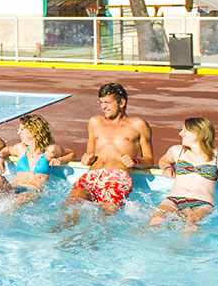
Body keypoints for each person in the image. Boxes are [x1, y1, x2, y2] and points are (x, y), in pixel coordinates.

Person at [61, 82, 154, 220]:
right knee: (70, 207)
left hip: (117, 178)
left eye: (108, 103)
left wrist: (135, 161)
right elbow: (90, 153)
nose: (104, 107)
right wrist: (87, 159)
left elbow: (149, 160)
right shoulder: (95, 122)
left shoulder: (138, 125)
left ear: (121, 102)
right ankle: (61, 240)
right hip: (92, 176)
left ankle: (91, 241)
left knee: (102, 219)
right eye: (101, 102)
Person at [149, 117, 218, 228]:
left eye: (185, 130)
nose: (180, 134)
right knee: (157, 217)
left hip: (203, 203)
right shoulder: (177, 151)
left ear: (198, 133)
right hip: (173, 200)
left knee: (191, 222)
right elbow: (164, 160)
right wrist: (167, 167)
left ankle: (183, 245)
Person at [0, 114, 75, 210]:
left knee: (15, 202)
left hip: (33, 191)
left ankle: (3, 220)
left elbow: (72, 153)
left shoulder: (50, 151)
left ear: (33, 131)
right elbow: (7, 149)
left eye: (22, 129)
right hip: (14, 188)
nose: (18, 133)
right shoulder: (21, 148)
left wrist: (60, 160)